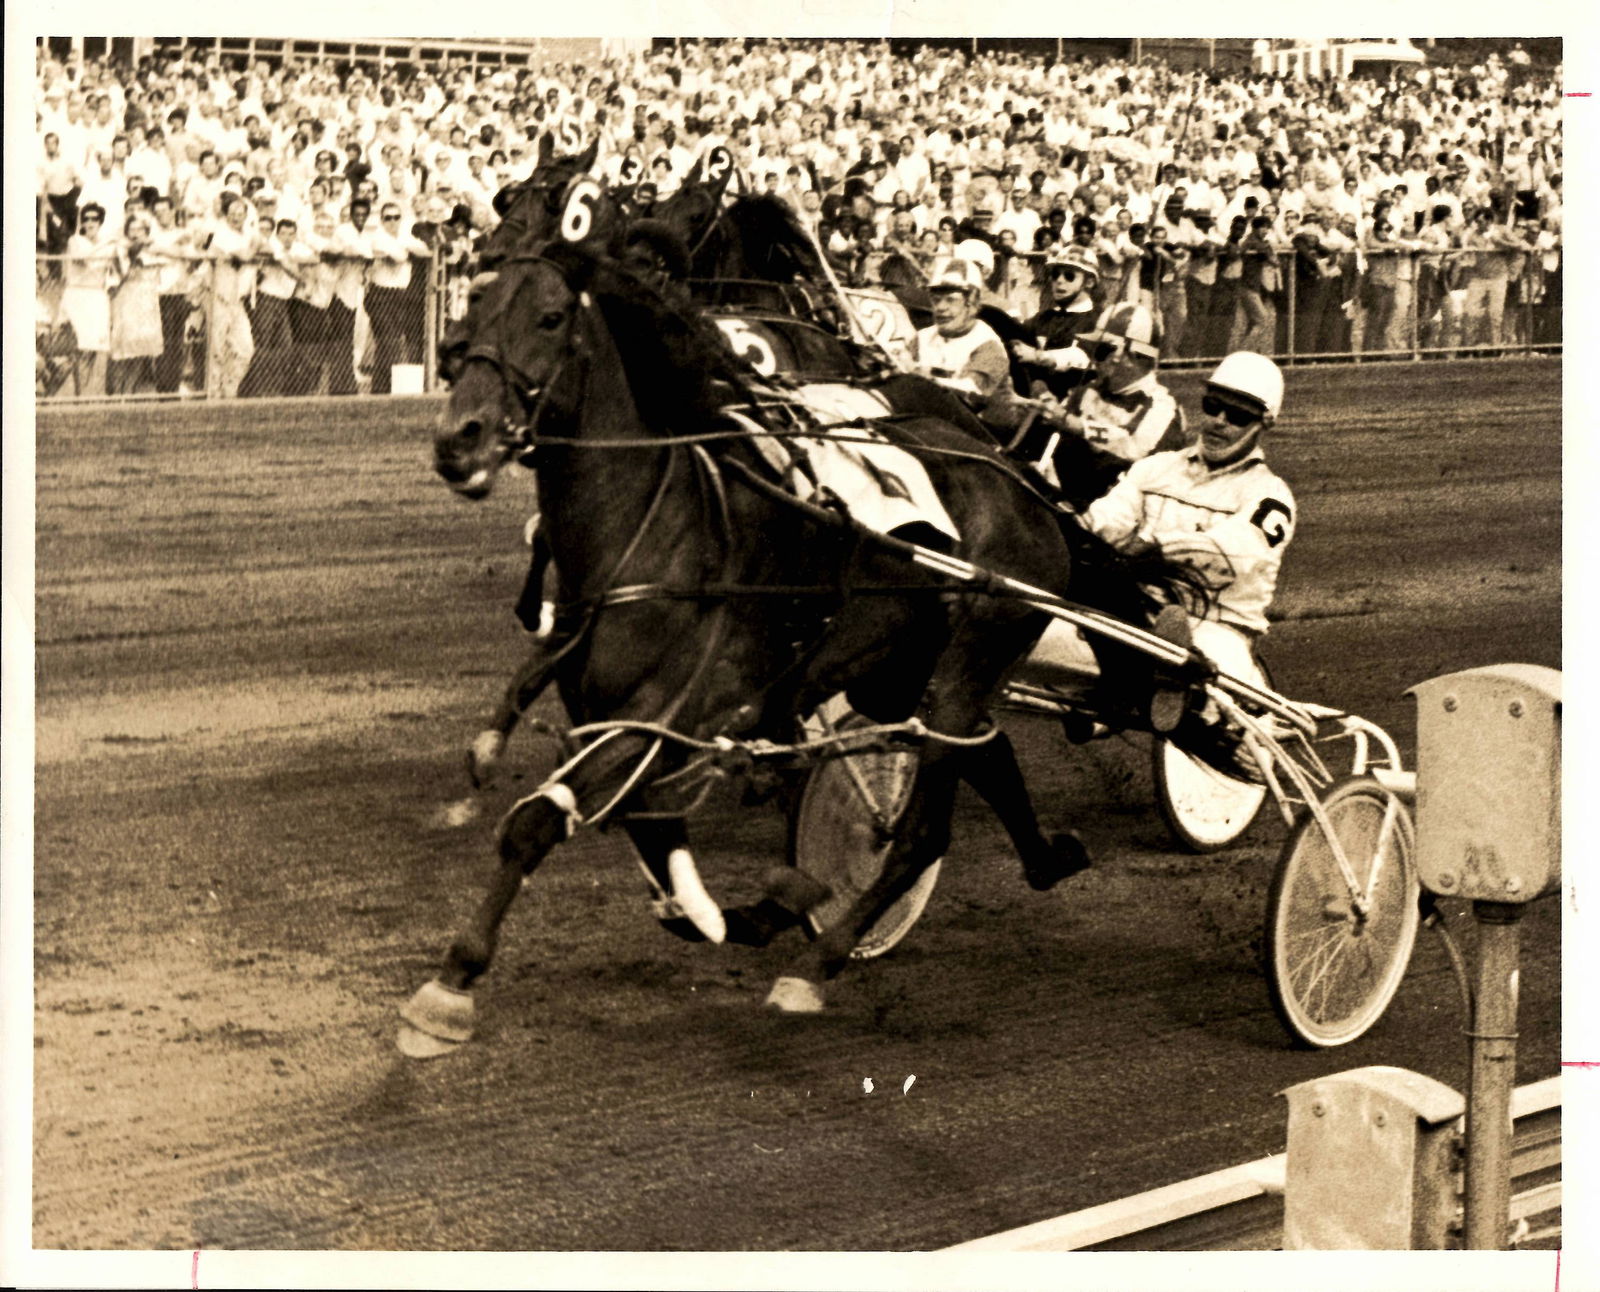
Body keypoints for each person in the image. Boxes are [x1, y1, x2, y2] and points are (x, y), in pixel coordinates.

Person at [1021, 351, 1296, 782]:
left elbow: (1239, 550)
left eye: (1237, 415)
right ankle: (1127, 691)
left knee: (1194, 662)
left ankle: (1147, 695)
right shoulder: (1154, 468)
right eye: (1213, 406)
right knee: (1022, 637)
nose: (1220, 421)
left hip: (1218, 630)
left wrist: (1155, 550)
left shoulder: (1268, 495)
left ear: (1264, 424)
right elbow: (1105, 521)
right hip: (1133, 616)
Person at [1021, 302, 1189, 507]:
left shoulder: (1162, 409)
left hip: (1117, 517)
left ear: (1128, 356)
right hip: (1062, 503)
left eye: (1100, 350)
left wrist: (1070, 422)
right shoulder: (1088, 390)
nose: (1093, 358)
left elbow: (1132, 446)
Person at [906, 253, 1028, 436]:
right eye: (936, 299)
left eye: (951, 300)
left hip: (987, 435)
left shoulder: (988, 344)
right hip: (933, 425)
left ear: (972, 302)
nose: (941, 308)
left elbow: (970, 394)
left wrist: (919, 377)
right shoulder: (921, 337)